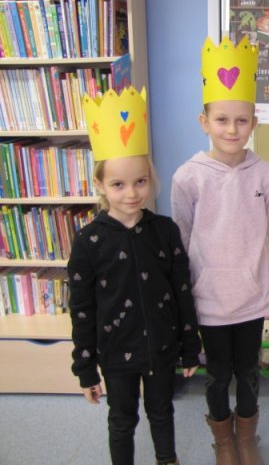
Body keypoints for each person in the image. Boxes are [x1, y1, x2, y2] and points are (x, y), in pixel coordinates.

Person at [69, 87, 202, 465]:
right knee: (122, 419)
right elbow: (81, 309)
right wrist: (85, 368)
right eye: (118, 184)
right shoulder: (88, 241)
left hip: (161, 348)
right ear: (100, 185)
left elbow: (182, 292)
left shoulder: (164, 231)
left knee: (162, 412)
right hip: (115, 354)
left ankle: (167, 460)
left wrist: (189, 346)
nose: (131, 193)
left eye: (140, 181)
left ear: (150, 178)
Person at [171, 35, 269, 465]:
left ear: (254, 122)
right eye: (221, 120)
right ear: (204, 121)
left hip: (251, 297)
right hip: (210, 299)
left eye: (241, 120)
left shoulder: (265, 174)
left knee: (249, 372)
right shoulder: (188, 177)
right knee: (217, 375)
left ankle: (246, 436)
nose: (231, 130)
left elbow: (264, 230)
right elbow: (182, 238)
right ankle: (223, 439)